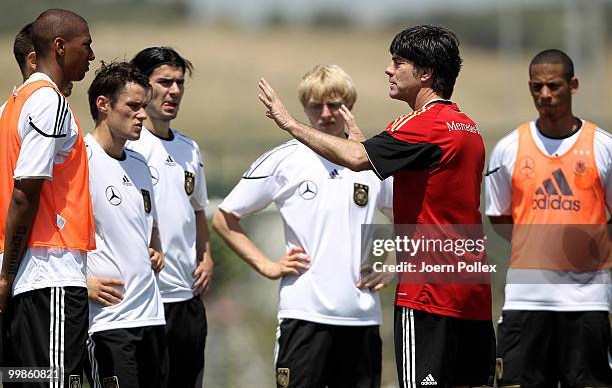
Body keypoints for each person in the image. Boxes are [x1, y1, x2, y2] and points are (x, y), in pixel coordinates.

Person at [258, 25, 494, 387]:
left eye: (398, 62)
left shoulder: (421, 126)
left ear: (425, 73)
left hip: (429, 293)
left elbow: (355, 159)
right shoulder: (467, 126)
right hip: (471, 290)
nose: (389, 70)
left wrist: (288, 123)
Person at [214, 64, 393, 388]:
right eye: (315, 105)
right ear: (304, 107)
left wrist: (394, 264)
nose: (325, 113)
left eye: (335, 104)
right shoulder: (285, 160)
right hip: (304, 316)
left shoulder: (371, 164)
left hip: (362, 317)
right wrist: (266, 265)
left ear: (350, 105)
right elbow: (224, 218)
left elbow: (416, 220)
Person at [485, 49, 612, 387]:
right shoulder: (509, 148)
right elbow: (499, 217)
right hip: (526, 299)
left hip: (587, 301)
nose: (544, 95)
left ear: (573, 85)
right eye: (536, 87)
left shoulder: (603, 147)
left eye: (553, 86)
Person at [0, 8, 95, 387]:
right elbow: (25, 195)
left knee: (24, 380)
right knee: (56, 382)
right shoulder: (48, 102)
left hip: (26, 277)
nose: (90, 55)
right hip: (49, 275)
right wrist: (7, 275)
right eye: (85, 46)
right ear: (59, 46)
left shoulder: (11, 106)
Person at [127, 47, 212, 388]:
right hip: (144, 300)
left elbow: (198, 209)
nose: (174, 91)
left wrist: (206, 257)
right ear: (140, 84)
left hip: (186, 299)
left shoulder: (190, 148)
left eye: (180, 83)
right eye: (165, 82)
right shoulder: (127, 144)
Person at [84, 61, 168, 388]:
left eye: (144, 107)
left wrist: (155, 250)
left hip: (152, 316)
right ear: (103, 105)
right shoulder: (79, 161)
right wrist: (81, 283)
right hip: (108, 322)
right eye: (133, 106)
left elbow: (150, 226)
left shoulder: (139, 163)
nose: (143, 115)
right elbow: (49, 234)